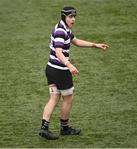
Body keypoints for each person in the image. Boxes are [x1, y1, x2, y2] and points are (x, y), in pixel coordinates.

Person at [39, 6, 109, 140]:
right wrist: (69, 65)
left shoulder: (63, 28)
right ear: (64, 17)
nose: (73, 19)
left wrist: (95, 45)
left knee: (54, 98)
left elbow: (75, 41)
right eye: (70, 17)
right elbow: (59, 52)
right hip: (60, 71)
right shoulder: (61, 31)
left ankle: (44, 128)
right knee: (68, 99)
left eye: (74, 17)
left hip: (50, 68)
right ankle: (64, 128)